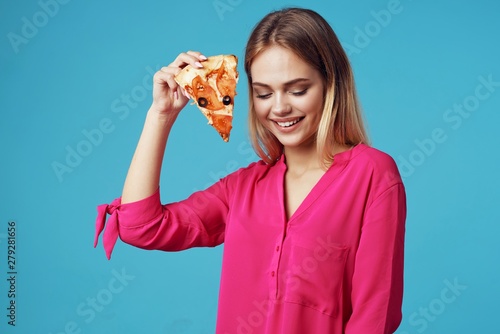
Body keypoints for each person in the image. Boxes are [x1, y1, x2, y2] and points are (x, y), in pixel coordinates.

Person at [94, 7, 406, 334]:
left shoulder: (373, 175)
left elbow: (375, 314)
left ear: (331, 84)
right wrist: (160, 115)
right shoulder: (243, 188)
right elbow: (139, 226)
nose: (280, 107)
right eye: (264, 93)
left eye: (298, 89)